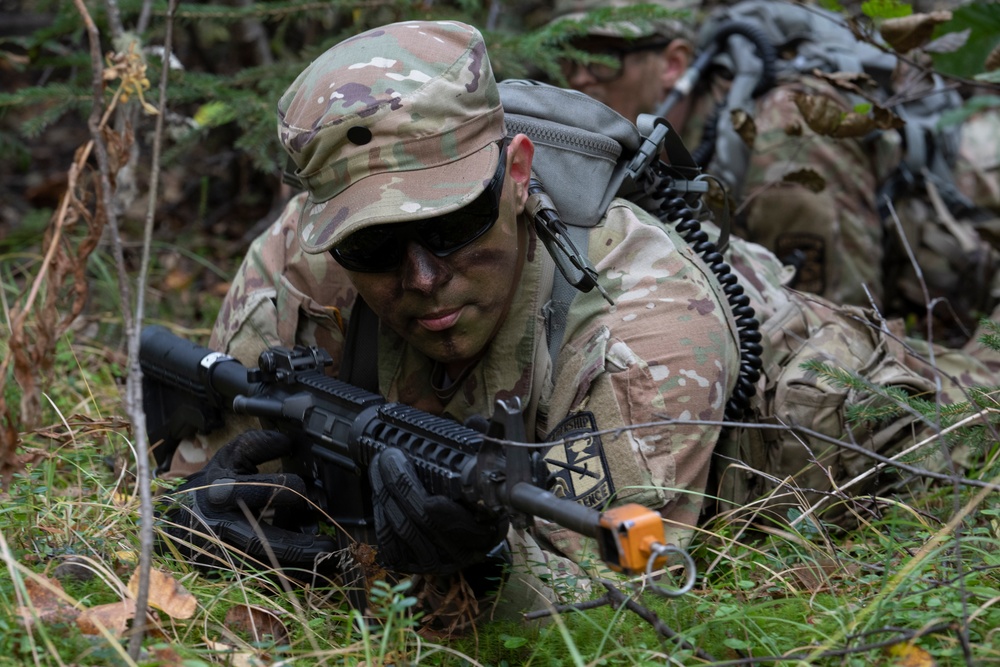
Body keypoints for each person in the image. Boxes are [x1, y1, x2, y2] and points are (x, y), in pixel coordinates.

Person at [162, 18, 998, 624]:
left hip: (864, 426)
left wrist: (480, 569)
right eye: (377, 245)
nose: (421, 277)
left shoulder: (640, 324)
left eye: (454, 225)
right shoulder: (304, 266)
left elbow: (622, 611)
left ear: (517, 173)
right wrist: (204, 513)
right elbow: (193, 483)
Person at [548, 0, 1000, 347]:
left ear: (673, 64)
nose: (579, 80)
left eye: (603, 58)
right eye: (567, 60)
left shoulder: (783, 138)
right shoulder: (649, 139)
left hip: (961, 326)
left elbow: (840, 335)